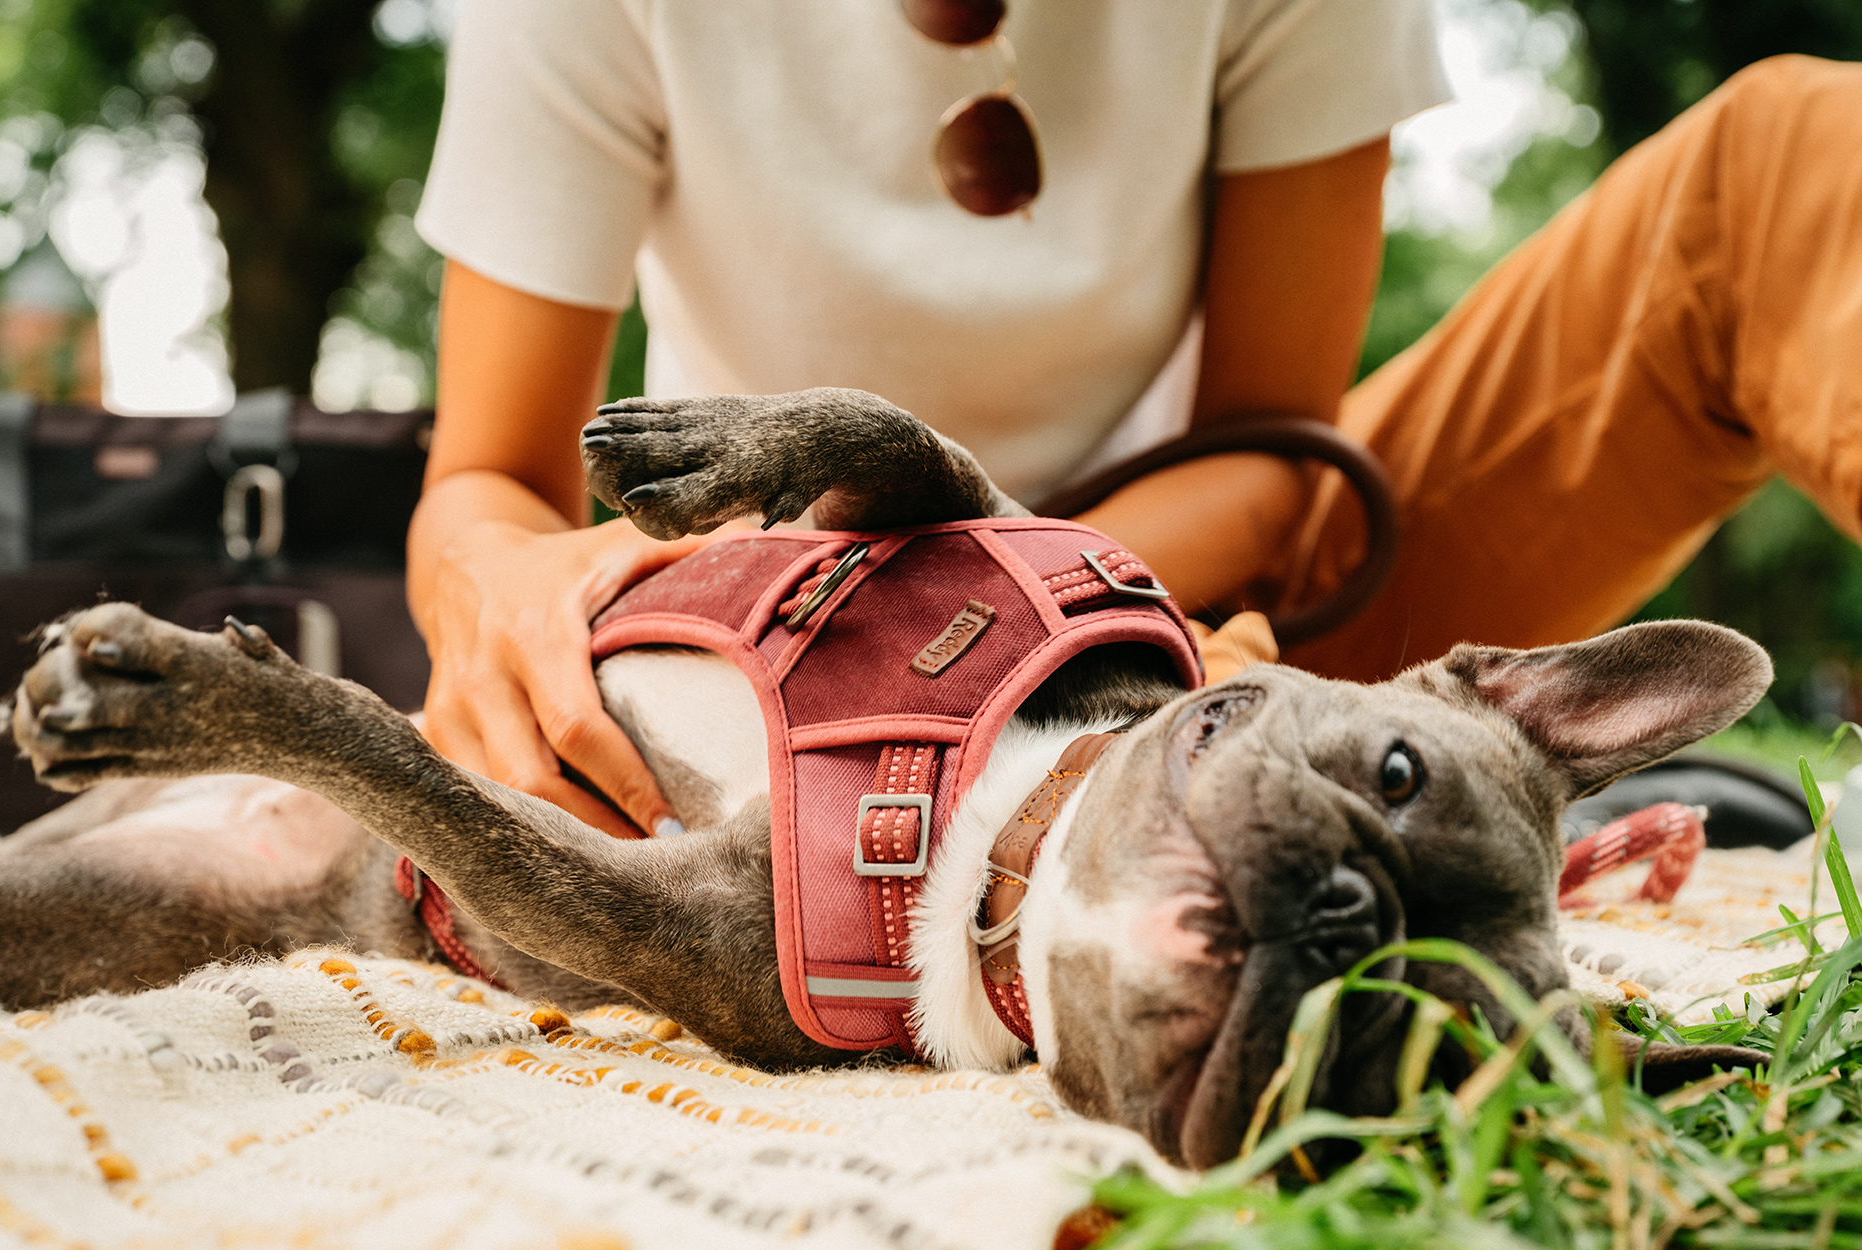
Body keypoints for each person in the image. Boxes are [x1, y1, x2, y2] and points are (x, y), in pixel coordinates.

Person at [408, 0, 1862, 838]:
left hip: (1231, 615)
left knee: (1784, 165)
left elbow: (1270, 457)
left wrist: (1040, 601)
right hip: (802, 653)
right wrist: (508, 589)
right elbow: (488, 480)